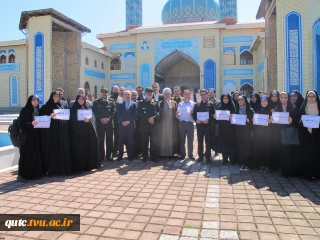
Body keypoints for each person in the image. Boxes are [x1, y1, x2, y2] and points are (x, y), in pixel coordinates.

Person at [40, 91, 72, 176]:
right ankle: (51, 169)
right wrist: (49, 116)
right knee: (52, 150)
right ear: (51, 97)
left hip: (61, 133)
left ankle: (60, 169)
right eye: (55, 96)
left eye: (58, 96)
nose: (56, 98)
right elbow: (40, 119)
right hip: (51, 133)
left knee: (61, 149)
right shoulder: (46, 107)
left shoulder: (60, 106)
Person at [69, 95, 100, 171]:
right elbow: (71, 121)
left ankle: (88, 165)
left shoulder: (87, 108)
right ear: (77, 100)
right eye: (79, 99)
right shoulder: (73, 109)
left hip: (87, 134)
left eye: (82, 99)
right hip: (77, 135)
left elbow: (93, 120)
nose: (81, 100)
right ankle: (79, 167)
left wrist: (88, 121)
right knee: (79, 150)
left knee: (87, 150)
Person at [17, 95, 43, 182]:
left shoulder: (37, 110)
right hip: (27, 137)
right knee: (26, 156)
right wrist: (31, 123)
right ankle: (22, 175)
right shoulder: (25, 110)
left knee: (34, 155)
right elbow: (22, 123)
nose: (36, 101)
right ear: (30, 101)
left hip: (35, 137)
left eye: (37, 100)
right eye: (34, 100)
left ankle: (34, 174)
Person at [298, 90, 320, 180]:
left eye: (313, 96)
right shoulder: (303, 107)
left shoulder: (319, 107)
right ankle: (306, 173)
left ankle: (317, 173)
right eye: (309, 97)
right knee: (307, 154)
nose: (311, 99)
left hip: (317, 134)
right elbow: (299, 120)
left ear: (316, 97)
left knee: (316, 153)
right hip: (306, 134)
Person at [275, 92, 298, 176]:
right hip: (281, 133)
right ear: (279, 98)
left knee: (291, 151)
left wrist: (292, 120)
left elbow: (297, 120)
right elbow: (275, 122)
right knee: (283, 152)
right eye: (282, 97)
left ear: (288, 98)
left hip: (290, 133)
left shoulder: (293, 108)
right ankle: (284, 171)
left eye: (285, 97)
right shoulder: (277, 108)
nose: (283, 99)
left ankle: (292, 171)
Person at [92, 87, 116, 161]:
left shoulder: (111, 101)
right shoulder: (96, 102)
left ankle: (109, 156)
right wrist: (101, 119)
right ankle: (101, 156)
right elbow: (94, 112)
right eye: (103, 92)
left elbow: (114, 111)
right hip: (100, 124)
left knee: (110, 140)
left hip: (109, 124)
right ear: (101, 93)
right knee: (101, 140)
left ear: (107, 93)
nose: (104, 94)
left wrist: (108, 118)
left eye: (105, 92)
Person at [138, 87, 160, 162]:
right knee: (144, 143)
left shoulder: (156, 102)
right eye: (148, 92)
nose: (149, 93)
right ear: (145, 93)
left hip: (153, 125)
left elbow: (159, 112)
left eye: (151, 92)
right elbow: (139, 114)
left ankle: (153, 156)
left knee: (154, 142)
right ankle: (145, 157)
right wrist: (148, 119)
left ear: (152, 93)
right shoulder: (141, 103)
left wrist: (153, 118)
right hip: (144, 126)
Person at [192, 89, 214, 162]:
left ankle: (208, 157)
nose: (203, 96)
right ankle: (200, 156)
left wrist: (209, 120)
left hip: (207, 126)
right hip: (200, 126)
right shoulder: (197, 104)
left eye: (204, 94)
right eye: (201, 95)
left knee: (208, 141)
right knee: (200, 142)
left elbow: (213, 115)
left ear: (207, 95)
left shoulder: (210, 104)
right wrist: (196, 120)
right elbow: (194, 114)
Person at [158, 88, 179, 158]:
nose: (167, 95)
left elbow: (176, 112)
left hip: (172, 123)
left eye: (169, 94)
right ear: (163, 95)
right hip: (163, 124)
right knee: (163, 138)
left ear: (171, 95)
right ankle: (163, 154)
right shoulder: (160, 103)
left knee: (171, 138)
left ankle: (170, 153)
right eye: (166, 94)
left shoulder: (174, 102)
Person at [214, 94, 236, 165]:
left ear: (229, 99)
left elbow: (236, 119)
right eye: (224, 98)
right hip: (222, 129)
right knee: (223, 144)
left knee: (231, 144)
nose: (225, 100)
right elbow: (216, 121)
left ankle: (232, 159)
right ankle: (225, 159)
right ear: (222, 99)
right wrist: (215, 117)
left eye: (227, 98)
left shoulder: (232, 107)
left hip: (231, 129)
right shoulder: (219, 107)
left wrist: (232, 117)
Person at [252, 96, 272, 172]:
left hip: (268, 134)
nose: (263, 102)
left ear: (268, 101)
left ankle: (267, 165)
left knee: (267, 150)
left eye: (265, 101)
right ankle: (261, 165)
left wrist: (271, 121)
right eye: (262, 101)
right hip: (259, 133)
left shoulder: (271, 111)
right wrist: (254, 120)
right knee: (260, 149)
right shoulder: (257, 110)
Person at [116, 90, 137, 161]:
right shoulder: (119, 104)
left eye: (128, 94)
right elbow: (118, 114)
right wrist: (122, 122)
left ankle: (130, 156)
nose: (127, 96)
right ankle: (120, 155)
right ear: (124, 95)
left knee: (130, 141)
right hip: (122, 125)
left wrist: (129, 121)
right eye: (126, 94)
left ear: (130, 95)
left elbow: (135, 114)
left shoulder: (134, 104)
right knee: (121, 141)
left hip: (130, 125)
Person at [235, 95, 254, 170]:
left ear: (245, 100)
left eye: (242, 100)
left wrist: (248, 119)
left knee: (247, 147)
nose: (240, 101)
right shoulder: (236, 109)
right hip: (239, 130)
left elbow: (253, 122)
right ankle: (241, 163)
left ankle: (247, 163)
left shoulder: (250, 110)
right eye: (239, 100)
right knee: (240, 146)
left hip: (247, 131)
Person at [177, 89, 195, 160]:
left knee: (190, 139)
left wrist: (193, 112)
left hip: (190, 123)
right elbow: (178, 115)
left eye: (188, 94)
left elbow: (195, 114)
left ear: (190, 95)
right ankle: (182, 154)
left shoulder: (193, 104)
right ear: (183, 95)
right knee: (182, 139)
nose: (187, 96)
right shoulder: (180, 104)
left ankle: (190, 154)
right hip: (182, 123)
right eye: (185, 94)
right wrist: (177, 114)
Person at [109, 85, 123, 156]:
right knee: (110, 136)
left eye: (117, 90)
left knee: (117, 136)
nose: (116, 91)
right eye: (114, 89)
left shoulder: (121, 99)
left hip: (118, 120)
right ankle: (110, 151)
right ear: (112, 90)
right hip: (111, 120)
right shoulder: (109, 98)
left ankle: (115, 150)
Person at [208, 88, 221, 156]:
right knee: (208, 137)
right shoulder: (206, 102)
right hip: (208, 123)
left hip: (216, 123)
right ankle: (208, 151)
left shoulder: (218, 102)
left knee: (216, 136)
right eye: (209, 93)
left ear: (214, 93)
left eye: (211, 93)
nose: (210, 94)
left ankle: (216, 150)